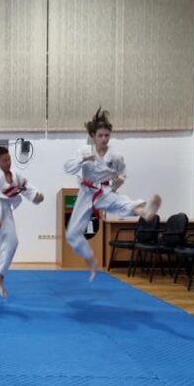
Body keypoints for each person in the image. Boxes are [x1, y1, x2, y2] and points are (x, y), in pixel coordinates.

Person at [64, 107, 161, 281]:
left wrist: (119, 181)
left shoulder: (116, 156)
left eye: (107, 135)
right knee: (71, 234)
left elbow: (122, 174)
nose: (104, 139)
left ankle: (146, 212)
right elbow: (68, 168)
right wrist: (84, 159)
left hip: (104, 191)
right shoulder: (85, 150)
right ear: (93, 136)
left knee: (122, 203)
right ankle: (91, 261)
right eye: (100, 135)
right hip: (86, 193)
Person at [0, 146, 44, 297]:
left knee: (13, 242)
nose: (8, 163)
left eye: (9, 159)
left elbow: (28, 188)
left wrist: (37, 197)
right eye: (4, 160)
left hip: (6, 209)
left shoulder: (16, 175)